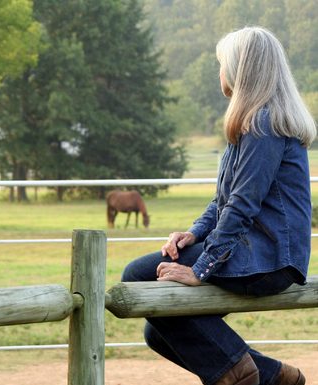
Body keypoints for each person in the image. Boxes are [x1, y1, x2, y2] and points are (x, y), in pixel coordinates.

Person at [121, 26, 316, 385]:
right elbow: (223, 201)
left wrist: (201, 267)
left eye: (221, 63)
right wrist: (192, 235)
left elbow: (241, 206)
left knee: (138, 276)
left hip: (269, 259)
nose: (219, 71)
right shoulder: (252, 123)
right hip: (254, 253)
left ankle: (239, 375)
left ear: (241, 69)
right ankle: (274, 376)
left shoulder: (264, 124)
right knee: (159, 331)